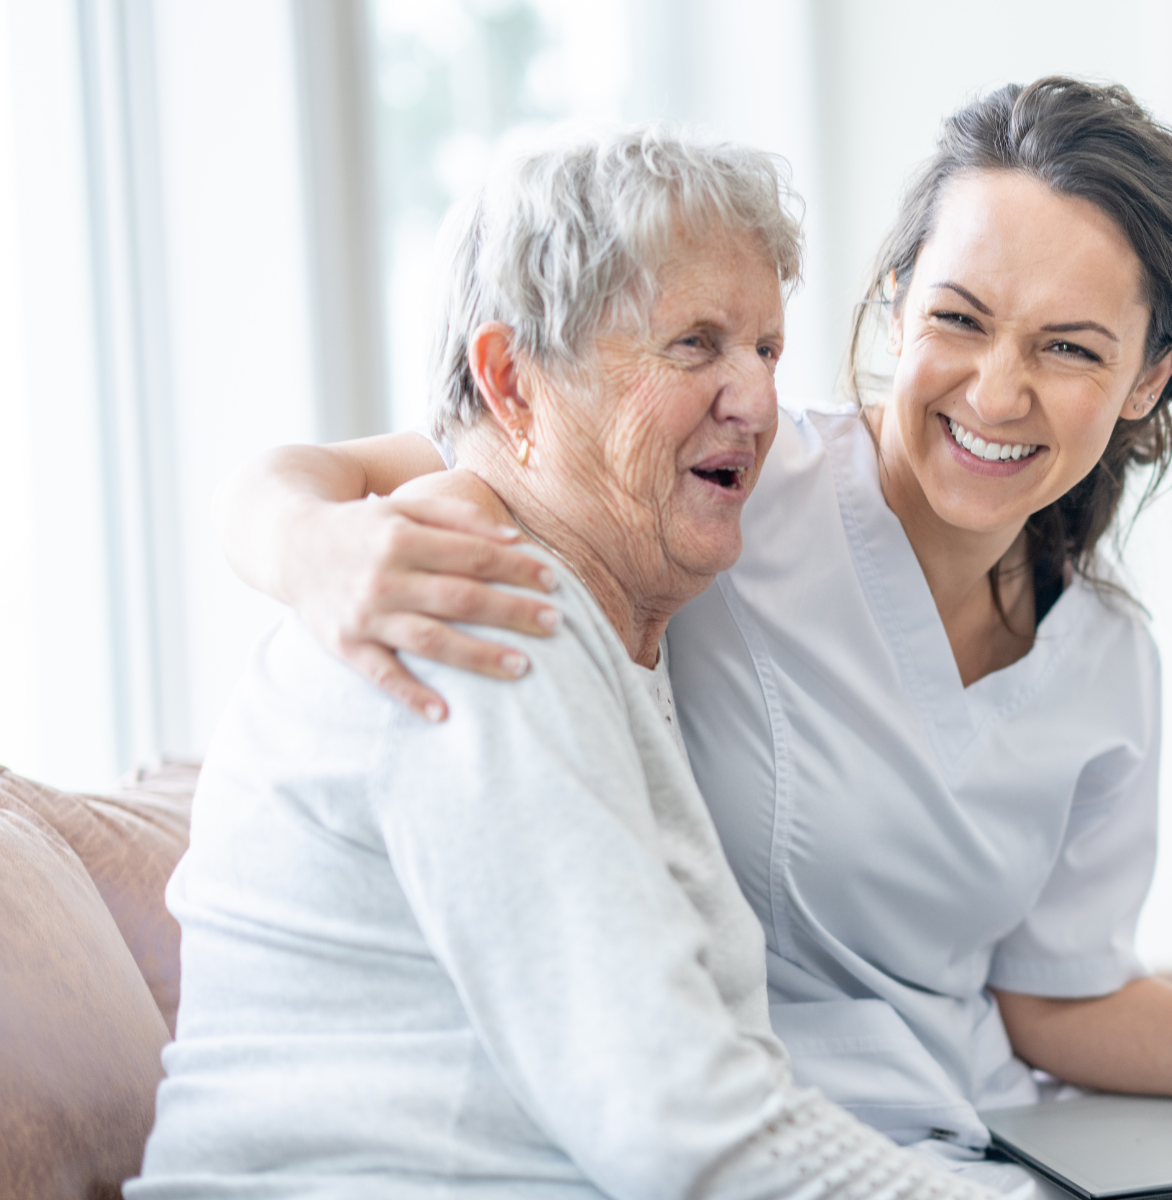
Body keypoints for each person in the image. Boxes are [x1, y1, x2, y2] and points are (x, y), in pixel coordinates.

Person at [219, 81, 1172, 1199]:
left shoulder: (1106, 660)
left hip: (967, 1140)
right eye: (959, 318)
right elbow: (469, 457)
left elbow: (1054, 997)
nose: (997, 392)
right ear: (896, 302)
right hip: (781, 1146)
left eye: (1069, 349)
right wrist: (306, 546)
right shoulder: (715, 482)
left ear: (1147, 380)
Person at [132, 127, 1007, 1200]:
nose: (755, 399)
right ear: (513, 382)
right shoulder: (473, 597)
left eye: (768, 350)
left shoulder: (603, 597)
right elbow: (682, 1125)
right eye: (694, 344)